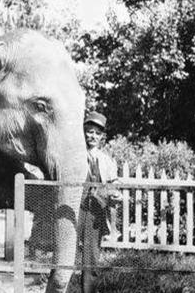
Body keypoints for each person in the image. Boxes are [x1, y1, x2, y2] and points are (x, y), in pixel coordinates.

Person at [79, 111, 122, 293]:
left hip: (94, 213)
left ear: (102, 137)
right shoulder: (75, 156)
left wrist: (115, 195)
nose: (93, 136)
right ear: (83, 132)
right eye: (89, 131)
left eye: (97, 133)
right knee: (64, 254)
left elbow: (114, 188)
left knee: (91, 257)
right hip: (74, 207)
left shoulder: (106, 161)